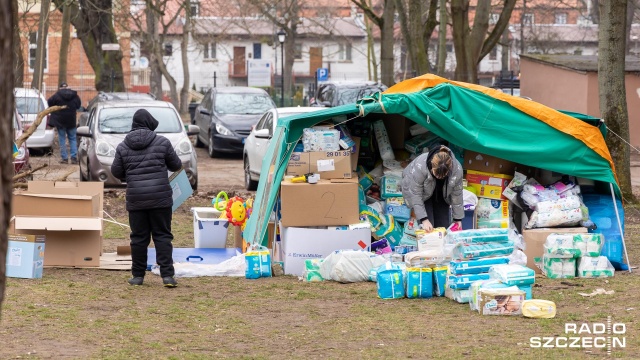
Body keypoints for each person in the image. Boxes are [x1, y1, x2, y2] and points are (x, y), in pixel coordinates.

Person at [111, 109, 182, 288]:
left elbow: (116, 172)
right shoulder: (162, 142)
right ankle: (167, 276)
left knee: (138, 238)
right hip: (161, 198)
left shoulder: (123, 146)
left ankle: (137, 276)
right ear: (150, 123)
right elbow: (176, 165)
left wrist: (130, 175)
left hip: (136, 199)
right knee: (163, 236)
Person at [401, 145, 464, 232]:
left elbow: (457, 194)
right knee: (428, 229)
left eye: (442, 176)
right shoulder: (420, 166)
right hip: (423, 194)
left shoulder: (457, 170)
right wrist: (424, 219)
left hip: (442, 194)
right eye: (436, 175)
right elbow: (415, 194)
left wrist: (458, 219)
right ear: (431, 165)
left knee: (443, 228)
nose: (439, 178)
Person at [47, 82, 82, 164]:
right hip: (71, 120)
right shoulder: (74, 95)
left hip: (60, 121)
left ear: (60, 88)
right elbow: (78, 105)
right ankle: (74, 158)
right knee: (73, 139)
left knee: (62, 139)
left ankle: (64, 158)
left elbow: (49, 102)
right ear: (67, 87)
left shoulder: (57, 95)